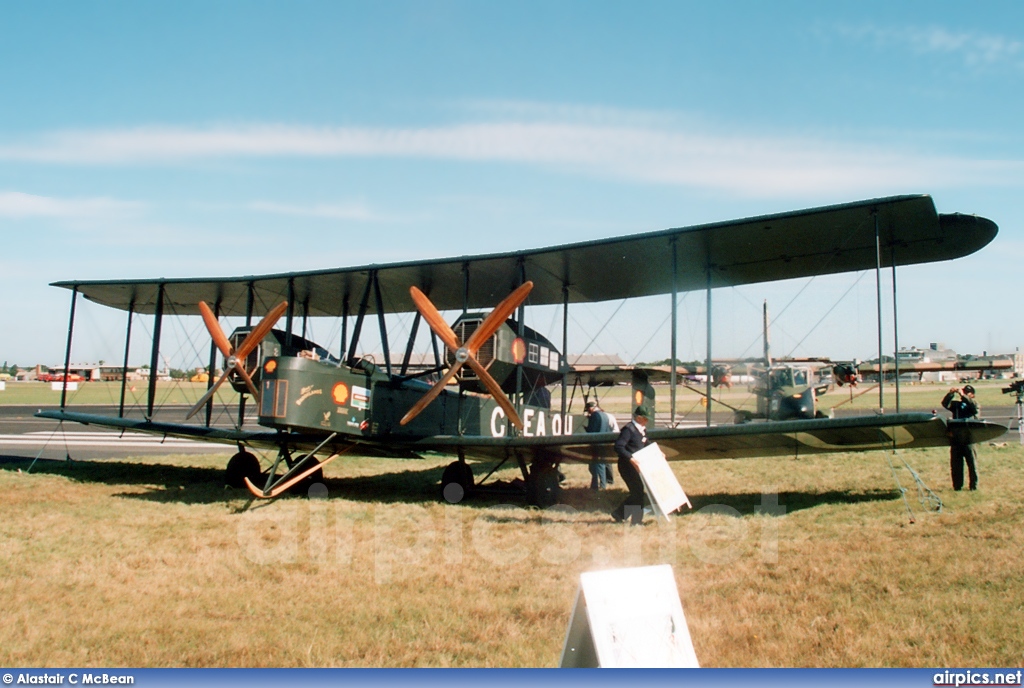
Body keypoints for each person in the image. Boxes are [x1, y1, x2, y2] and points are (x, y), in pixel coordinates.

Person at [611, 405, 652, 525]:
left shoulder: (642, 429)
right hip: (627, 466)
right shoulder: (628, 430)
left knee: (637, 492)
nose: (647, 421)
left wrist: (658, 451)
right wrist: (631, 458)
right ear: (639, 418)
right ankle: (636, 522)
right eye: (645, 419)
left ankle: (619, 513)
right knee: (638, 492)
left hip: (636, 466)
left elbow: (646, 441)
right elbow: (618, 447)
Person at [941, 384, 980, 491]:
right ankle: (957, 486)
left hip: (969, 439)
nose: (964, 394)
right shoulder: (957, 405)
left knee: (972, 464)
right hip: (957, 439)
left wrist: (964, 396)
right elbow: (945, 404)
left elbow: (974, 409)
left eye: (967, 393)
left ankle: (974, 486)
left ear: (972, 395)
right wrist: (950, 394)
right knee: (956, 465)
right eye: (964, 391)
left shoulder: (974, 405)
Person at [584, 400, 618, 490]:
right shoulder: (605, 415)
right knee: (602, 465)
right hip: (604, 443)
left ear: (591, 408)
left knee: (594, 466)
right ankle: (603, 484)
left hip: (596, 443)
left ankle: (596, 485)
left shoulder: (595, 416)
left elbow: (591, 430)